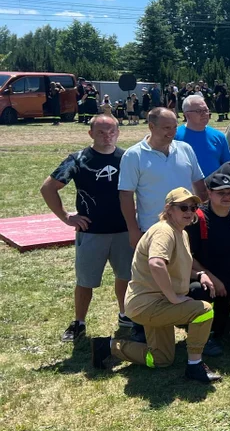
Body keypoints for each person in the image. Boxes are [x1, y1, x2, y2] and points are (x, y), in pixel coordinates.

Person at [90, 188, 220, 384]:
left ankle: (108, 347)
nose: (189, 211)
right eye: (183, 207)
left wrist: (200, 274)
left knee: (160, 359)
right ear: (169, 209)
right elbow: (157, 263)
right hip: (150, 305)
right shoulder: (164, 231)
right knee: (204, 311)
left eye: (193, 207)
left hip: (155, 305)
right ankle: (195, 365)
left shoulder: (180, 233)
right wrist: (173, 298)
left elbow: (176, 267)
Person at [41, 114, 135, 342]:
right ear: (90, 133)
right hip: (92, 232)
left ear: (118, 132)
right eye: (101, 132)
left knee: (125, 276)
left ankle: (125, 315)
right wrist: (66, 217)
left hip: (124, 230)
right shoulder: (79, 159)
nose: (107, 136)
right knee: (86, 281)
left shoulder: (129, 158)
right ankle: (79, 322)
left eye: (111, 131)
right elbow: (48, 188)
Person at [119, 108, 207, 247]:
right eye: (166, 128)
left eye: (174, 127)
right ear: (151, 127)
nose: (172, 132)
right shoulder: (133, 155)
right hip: (153, 229)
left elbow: (200, 186)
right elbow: (126, 196)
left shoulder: (186, 149)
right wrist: (133, 230)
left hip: (188, 227)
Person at [184, 173, 230, 356]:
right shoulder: (198, 219)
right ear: (209, 193)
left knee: (221, 329)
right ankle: (200, 337)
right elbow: (188, 256)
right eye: (221, 193)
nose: (227, 197)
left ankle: (223, 323)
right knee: (198, 290)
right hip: (209, 282)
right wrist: (212, 278)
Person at [175, 94, 230, 178]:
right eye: (199, 111)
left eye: (206, 110)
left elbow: (227, 165)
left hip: (213, 188)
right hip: (185, 188)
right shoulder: (174, 136)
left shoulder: (219, 136)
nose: (204, 114)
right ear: (187, 115)